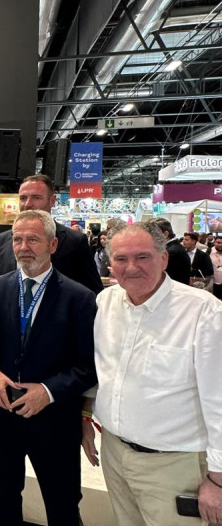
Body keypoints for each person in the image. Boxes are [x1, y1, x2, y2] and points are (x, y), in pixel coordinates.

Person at [81, 222, 222, 526]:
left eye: (142, 257)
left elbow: (219, 402)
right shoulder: (105, 303)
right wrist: (85, 415)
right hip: (115, 453)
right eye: (120, 259)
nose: (131, 267)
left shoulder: (204, 313)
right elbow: (103, 371)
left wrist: (218, 480)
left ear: (164, 259)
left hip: (174, 465)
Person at [0, 210, 97, 526]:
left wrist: (48, 391)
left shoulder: (80, 298)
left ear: (53, 245)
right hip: (4, 413)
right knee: (5, 496)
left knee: (61, 502)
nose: (23, 247)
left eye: (33, 239)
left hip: (55, 419)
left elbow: (89, 366)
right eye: (17, 239)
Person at [0, 175, 103, 294]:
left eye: (36, 197)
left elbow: (93, 290)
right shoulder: (2, 240)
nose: (27, 204)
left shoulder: (75, 241)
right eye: (23, 198)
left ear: (52, 201)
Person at [150, 218, 191, 285]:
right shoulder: (173, 247)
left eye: (153, 234)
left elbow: (159, 275)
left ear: (165, 234)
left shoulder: (172, 251)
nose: (151, 237)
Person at [210, 235, 222, 300]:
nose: (220, 245)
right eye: (218, 242)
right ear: (214, 242)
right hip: (213, 284)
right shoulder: (208, 252)